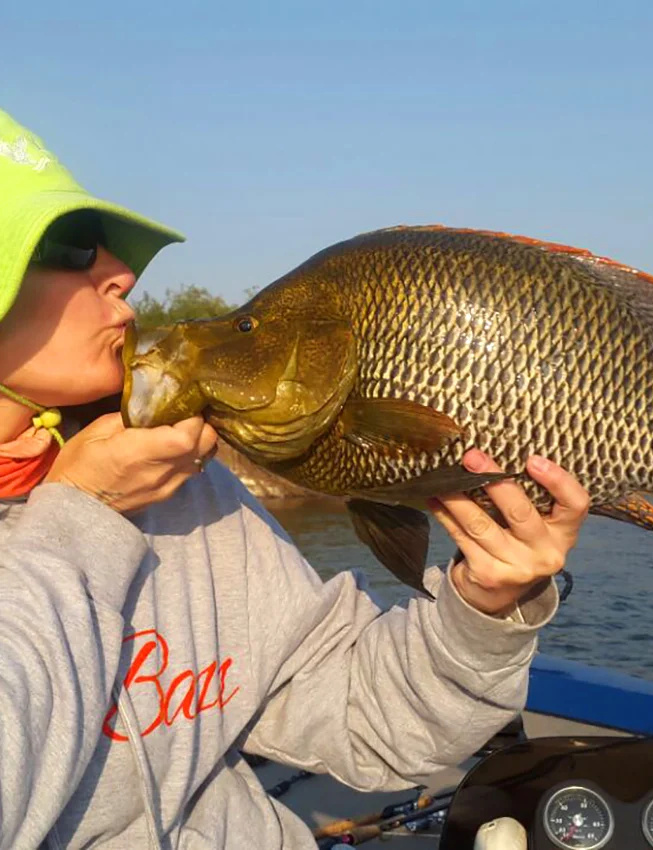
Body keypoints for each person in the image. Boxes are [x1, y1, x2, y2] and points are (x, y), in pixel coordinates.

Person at [0, 108, 590, 850]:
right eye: (67, 245)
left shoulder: (181, 491)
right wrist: (82, 514)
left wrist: (483, 608)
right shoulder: (109, 495)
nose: (120, 272)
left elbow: (369, 726)